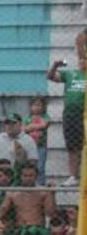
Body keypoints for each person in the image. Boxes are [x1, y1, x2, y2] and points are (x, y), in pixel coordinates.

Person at [47, 56, 84, 185]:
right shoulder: (71, 74)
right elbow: (51, 76)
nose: (83, 62)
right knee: (73, 146)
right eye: (81, 59)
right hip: (71, 114)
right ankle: (74, 176)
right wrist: (55, 65)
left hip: (84, 114)